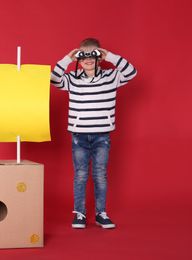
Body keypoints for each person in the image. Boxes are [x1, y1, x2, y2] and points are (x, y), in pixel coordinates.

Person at [50, 38, 137, 229]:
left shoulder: (111, 77)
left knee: (100, 175)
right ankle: (79, 213)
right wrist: (67, 59)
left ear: (99, 57)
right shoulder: (72, 78)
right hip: (79, 136)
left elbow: (132, 72)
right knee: (80, 175)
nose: (88, 58)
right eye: (84, 55)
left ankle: (100, 213)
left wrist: (111, 56)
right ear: (78, 59)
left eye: (93, 54)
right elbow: (53, 78)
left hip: (102, 135)